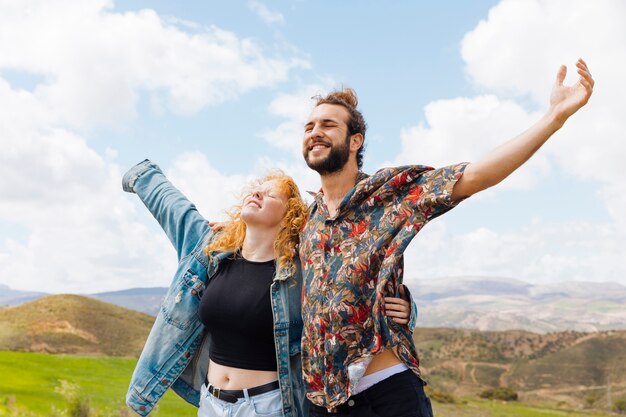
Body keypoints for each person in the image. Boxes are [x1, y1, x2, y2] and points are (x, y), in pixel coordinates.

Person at [299, 58, 594, 416]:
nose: (315, 131)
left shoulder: (390, 193)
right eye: (309, 126)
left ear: (355, 140)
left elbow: (476, 176)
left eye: (328, 124)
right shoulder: (306, 219)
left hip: (385, 394)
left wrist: (554, 118)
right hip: (323, 402)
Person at [122, 160, 414, 416]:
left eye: (271, 193)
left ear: (291, 214)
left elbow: (354, 296)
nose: (257, 192)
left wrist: (406, 312)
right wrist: (140, 174)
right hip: (210, 404)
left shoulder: (304, 272)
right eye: (256, 188)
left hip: (268, 406)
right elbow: (177, 210)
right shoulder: (211, 250)